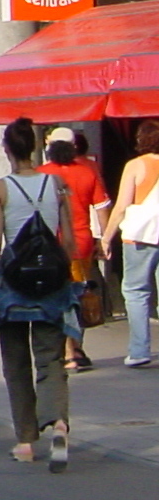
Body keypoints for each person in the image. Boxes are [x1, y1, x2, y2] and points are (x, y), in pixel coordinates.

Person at [0, 117, 79, 470]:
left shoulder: (0, 189)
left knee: (16, 363)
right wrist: (68, 274)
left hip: (13, 285)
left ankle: (26, 440)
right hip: (51, 283)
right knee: (51, 358)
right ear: (35, 147)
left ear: (6, 149)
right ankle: (59, 423)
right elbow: (69, 241)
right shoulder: (57, 183)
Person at [40, 129, 108, 371]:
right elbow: (101, 208)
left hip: (49, 245)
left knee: (55, 296)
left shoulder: (42, 174)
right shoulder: (88, 171)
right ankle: (75, 346)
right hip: (81, 243)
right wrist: (105, 239)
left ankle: (67, 350)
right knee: (77, 294)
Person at [96, 118, 159, 369]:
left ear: (140, 140)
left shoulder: (134, 166)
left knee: (135, 291)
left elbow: (121, 206)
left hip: (139, 236)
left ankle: (139, 349)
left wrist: (106, 238)